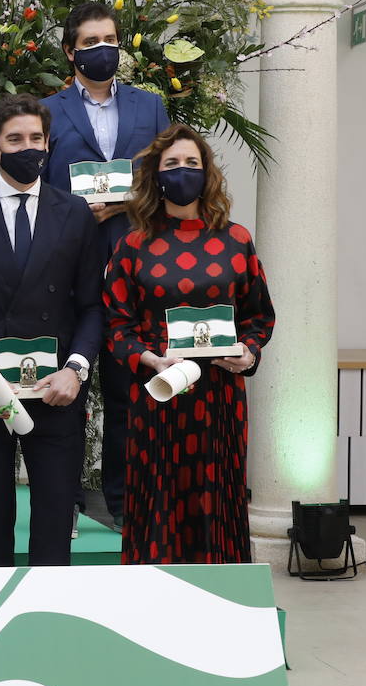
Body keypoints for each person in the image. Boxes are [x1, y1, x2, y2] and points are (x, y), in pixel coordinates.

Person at [103, 124, 275, 563]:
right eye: (173, 164)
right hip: (159, 394)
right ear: (156, 176)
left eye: (192, 164)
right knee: (156, 498)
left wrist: (248, 352)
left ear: (207, 173)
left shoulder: (236, 240)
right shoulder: (133, 244)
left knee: (217, 498)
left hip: (220, 399)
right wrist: (151, 360)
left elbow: (259, 314)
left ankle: (221, 603)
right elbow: (116, 325)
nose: (184, 172)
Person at [0, 95, 101, 567]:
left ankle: (50, 630)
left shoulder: (75, 214)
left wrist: (76, 369)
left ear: (48, 143)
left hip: (57, 392)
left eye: (36, 138)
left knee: (54, 524)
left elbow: (94, 306)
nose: (27, 148)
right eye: (15, 139)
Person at [41, 1, 171, 534]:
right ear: (71, 51)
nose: (102, 49)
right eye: (90, 41)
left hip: (132, 260)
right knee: (63, 387)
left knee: (125, 389)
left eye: (110, 38)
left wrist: (126, 202)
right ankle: (64, 502)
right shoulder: (48, 110)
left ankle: (121, 501)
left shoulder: (150, 107)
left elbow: (170, 174)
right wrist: (74, 208)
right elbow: (36, 179)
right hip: (66, 260)